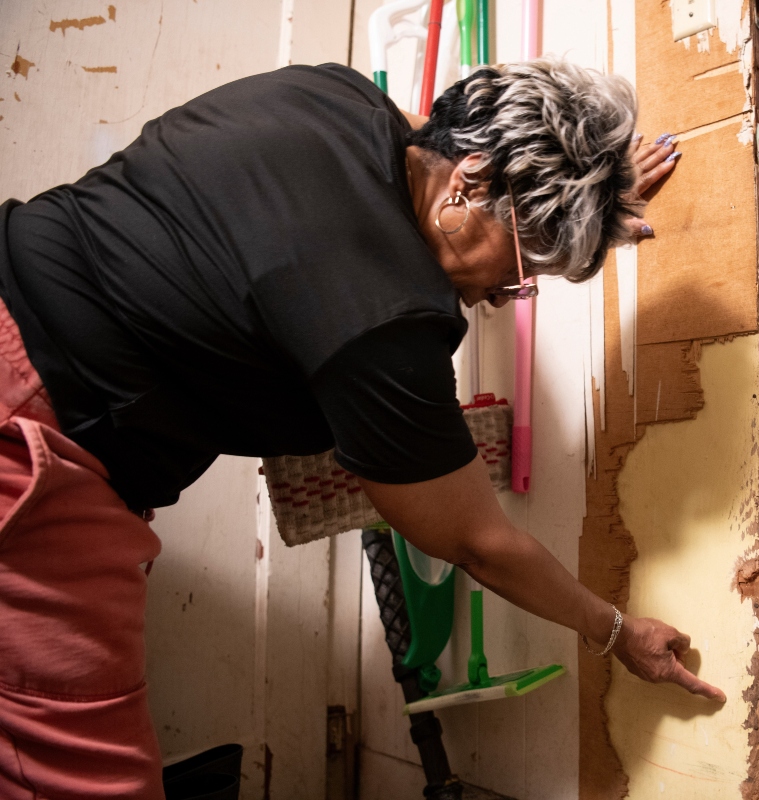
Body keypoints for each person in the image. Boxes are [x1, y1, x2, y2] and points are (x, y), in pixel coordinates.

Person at [0, 59, 720, 798]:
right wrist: (616, 631)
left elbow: (441, 135)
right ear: (468, 183)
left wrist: (586, 185)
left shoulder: (335, 94)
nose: (505, 296)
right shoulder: (387, 317)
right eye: (522, 263)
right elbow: (480, 542)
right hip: (34, 438)